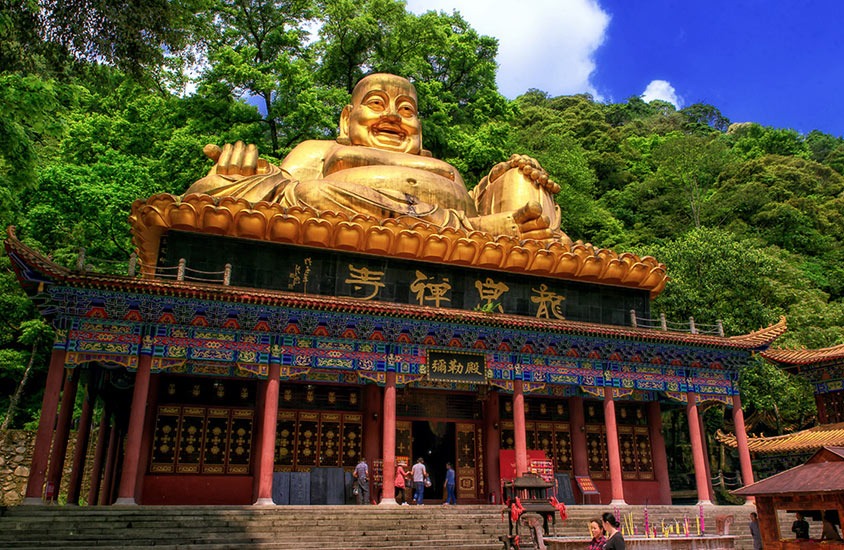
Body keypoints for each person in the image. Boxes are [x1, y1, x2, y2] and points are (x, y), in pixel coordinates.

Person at [184, 73, 571, 245]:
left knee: (524, 184)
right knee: (315, 194)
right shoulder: (323, 150)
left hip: (465, 235)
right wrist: (240, 173)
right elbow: (278, 193)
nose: (392, 116)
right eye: (375, 104)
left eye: (406, 109)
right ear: (345, 118)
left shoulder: (447, 169)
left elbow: (496, 205)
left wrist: (514, 178)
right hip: (352, 217)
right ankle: (482, 230)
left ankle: (487, 229)